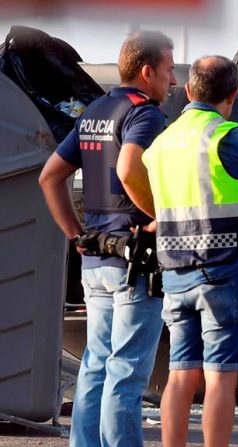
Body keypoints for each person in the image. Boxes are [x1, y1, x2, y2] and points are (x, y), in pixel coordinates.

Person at [137, 55, 238, 447]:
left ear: (188, 90)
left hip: (175, 274)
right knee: (220, 377)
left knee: (180, 376)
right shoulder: (231, 136)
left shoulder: (160, 145)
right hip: (227, 273)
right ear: (234, 94)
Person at [38, 30, 176, 447]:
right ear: (148, 70)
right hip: (134, 263)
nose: (173, 82)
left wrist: (75, 235)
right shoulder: (144, 114)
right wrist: (165, 217)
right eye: (169, 70)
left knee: (96, 366)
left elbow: (50, 177)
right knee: (128, 371)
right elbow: (130, 169)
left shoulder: (96, 110)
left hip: (95, 259)